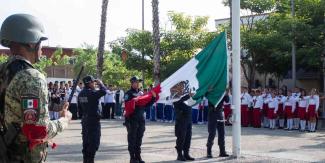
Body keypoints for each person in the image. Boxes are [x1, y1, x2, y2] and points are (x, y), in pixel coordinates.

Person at [0, 14, 72, 163]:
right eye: (40, 42)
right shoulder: (31, 77)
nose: (41, 48)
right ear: (32, 43)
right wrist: (64, 120)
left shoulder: (3, 71)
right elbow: (38, 131)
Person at [124, 76, 156, 163]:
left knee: (139, 139)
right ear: (132, 83)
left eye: (139, 82)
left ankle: (138, 156)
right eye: (136, 82)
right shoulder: (128, 93)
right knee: (132, 139)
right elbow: (127, 106)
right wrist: (135, 100)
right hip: (132, 119)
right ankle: (132, 158)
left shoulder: (142, 93)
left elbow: (146, 105)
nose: (138, 83)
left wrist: (153, 98)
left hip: (141, 119)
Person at [78, 75, 107, 163]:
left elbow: (80, 109)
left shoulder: (81, 93)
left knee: (86, 142)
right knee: (94, 143)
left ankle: (86, 160)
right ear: (89, 83)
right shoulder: (91, 93)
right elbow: (104, 91)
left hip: (85, 120)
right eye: (93, 82)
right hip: (93, 121)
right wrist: (101, 83)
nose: (94, 84)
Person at [173, 88, 195, 161]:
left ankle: (186, 153)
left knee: (188, 137)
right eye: (181, 86)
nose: (182, 88)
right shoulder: (175, 96)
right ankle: (179, 155)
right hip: (181, 120)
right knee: (181, 137)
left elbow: (191, 103)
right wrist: (188, 96)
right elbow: (177, 103)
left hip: (188, 119)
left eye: (183, 86)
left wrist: (191, 97)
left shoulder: (186, 95)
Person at [206, 91, 230, 158]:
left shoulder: (222, 92)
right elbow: (207, 96)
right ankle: (209, 152)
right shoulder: (211, 92)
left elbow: (227, 100)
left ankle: (222, 151)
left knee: (222, 133)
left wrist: (226, 94)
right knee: (212, 133)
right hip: (212, 113)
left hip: (220, 113)